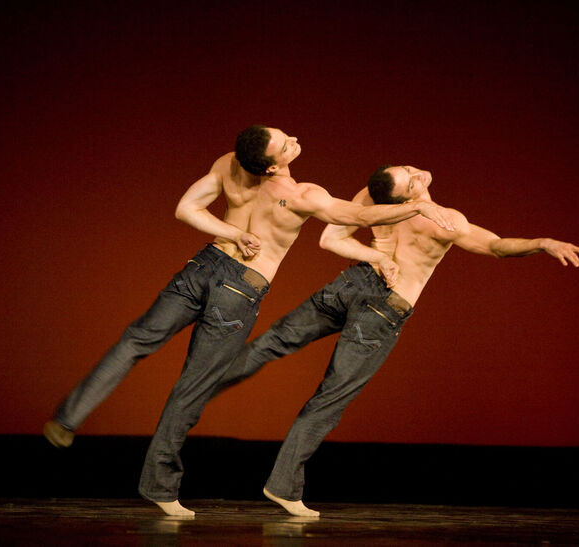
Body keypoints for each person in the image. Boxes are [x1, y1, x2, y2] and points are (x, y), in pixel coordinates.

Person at [44, 127, 454, 517]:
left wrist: (232, 233)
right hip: (237, 290)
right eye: (285, 144)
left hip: (201, 268)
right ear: (272, 167)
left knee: (136, 340)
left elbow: (186, 209)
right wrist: (417, 204)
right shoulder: (302, 195)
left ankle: (68, 418)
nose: (294, 140)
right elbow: (359, 218)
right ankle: (159, 487)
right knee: (193, 387)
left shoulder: (230, 164)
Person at [209, 164, 579, 517]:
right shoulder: (445, 221)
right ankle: (284, 486)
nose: (415, 169)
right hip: (383, 307)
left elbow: (333, 238)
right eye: (409, 176)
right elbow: (496, 246)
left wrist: (377, 254)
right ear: (406, 197)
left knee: (274, 341)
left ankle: (195, 392)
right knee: (331, 395)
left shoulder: (374, 196)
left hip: (350, 285)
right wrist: (542, 242)